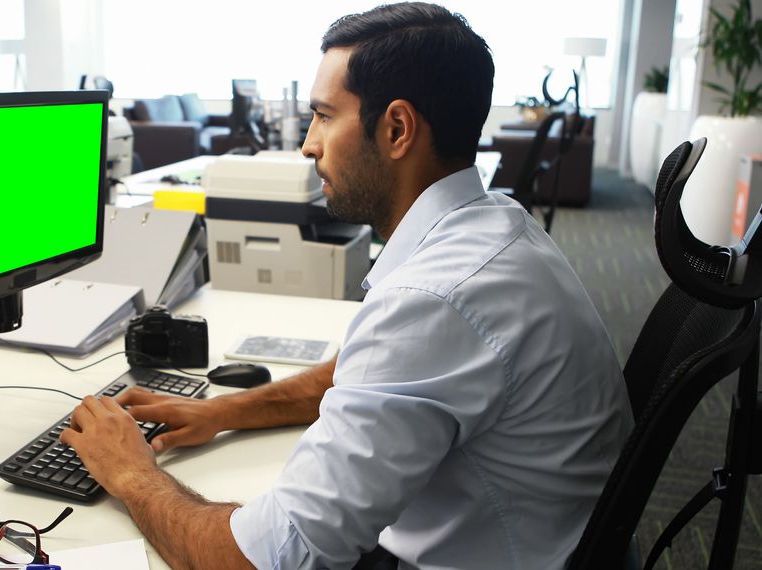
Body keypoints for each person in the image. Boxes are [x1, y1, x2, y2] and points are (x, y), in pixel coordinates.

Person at [60, 3, 633, 568]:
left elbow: (264, 561)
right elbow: (367, 378)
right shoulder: (496, 225)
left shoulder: (435, 299)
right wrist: (225, 411)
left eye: (325, 116)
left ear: (397, 129)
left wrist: (131, 474)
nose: (309, 144)